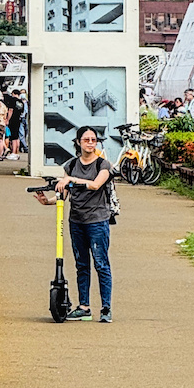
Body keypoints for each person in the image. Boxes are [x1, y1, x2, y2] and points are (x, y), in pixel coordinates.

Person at [37, 126, 115, 323]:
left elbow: (96, 184)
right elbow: (65, 194)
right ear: (79, 142)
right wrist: (48, 200)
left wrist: (71, 180)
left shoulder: (103, 165)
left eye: (93, 140)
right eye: (86, 139)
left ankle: (106, 308)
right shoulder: (70, 166)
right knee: (82, 264)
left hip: (97, 220)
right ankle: (84, 307)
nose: (90, 143)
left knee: (101, 263)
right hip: (77, 221)